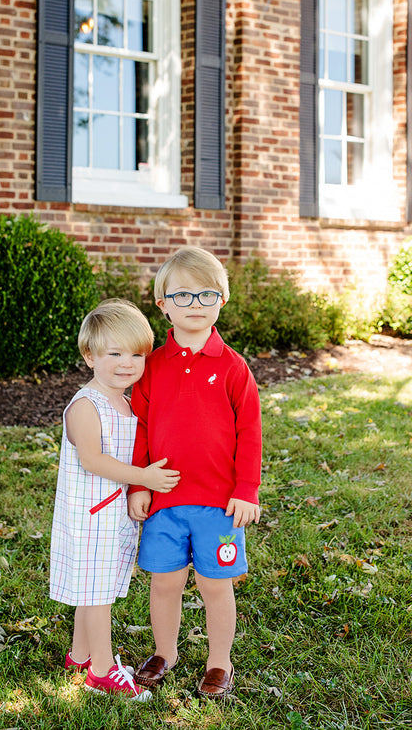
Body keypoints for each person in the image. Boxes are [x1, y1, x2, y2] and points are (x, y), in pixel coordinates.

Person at [128, 247, 262, 699]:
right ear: (162, 304)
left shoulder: (232, 367)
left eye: (206, 294)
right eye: (181, 295)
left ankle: (219, 662)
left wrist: (246, 490)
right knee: (165, 582)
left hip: (218, 504)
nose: (195, 304)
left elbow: (249, 430)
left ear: (221, 300)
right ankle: (165, 651)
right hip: (165, 500)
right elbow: (141, 425)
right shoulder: (152, 367)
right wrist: (139, 482)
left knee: (214, 584)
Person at [49, 298, 180, 701]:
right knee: (98, 594)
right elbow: (92, 459)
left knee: (95, 587)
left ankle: (81, 654)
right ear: (89, 356)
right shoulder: (87, 406)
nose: (128, 363)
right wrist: (145, 478)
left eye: (138, 354)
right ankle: (103, 671)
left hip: (111, 516)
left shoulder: (124, 400)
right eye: (115, 353)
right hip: (89, 517)